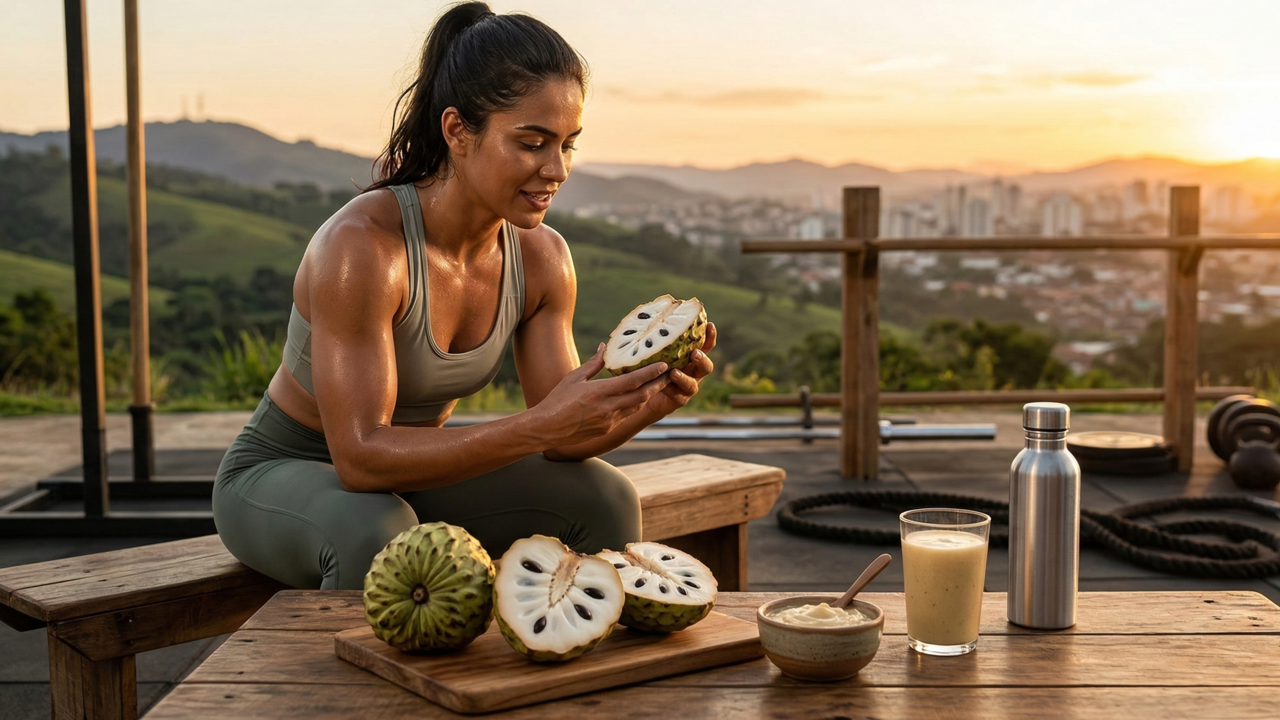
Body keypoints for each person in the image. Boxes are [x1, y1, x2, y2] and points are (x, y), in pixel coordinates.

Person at [212, 2, 716, 591]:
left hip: (416, 475)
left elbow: (564, 436)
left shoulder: (542, 258)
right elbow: (360, 457)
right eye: (531, 143)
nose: (556, 169)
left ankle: (568, 665)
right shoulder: (364, 249)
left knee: (603, 497)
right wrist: (536, 427)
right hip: (288, 469)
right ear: (458, 131)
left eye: (569, 144)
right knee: (376, 533)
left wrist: (646, 403)